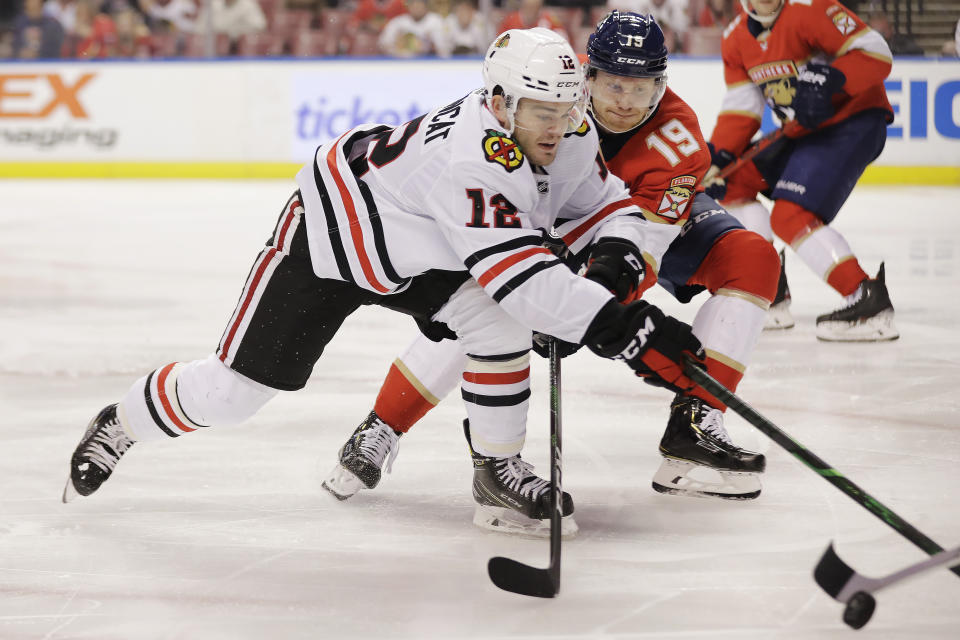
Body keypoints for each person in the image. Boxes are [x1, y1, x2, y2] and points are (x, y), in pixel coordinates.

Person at [63, 28, 706, 539]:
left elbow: (602, 202)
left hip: (421, 248)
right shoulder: (473, 159)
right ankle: (122, 421)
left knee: (497, 325)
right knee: (233, 395)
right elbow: (521, 279)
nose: (556, 127)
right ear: (501, 102)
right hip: (332, 238)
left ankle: (496, 473)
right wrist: (621, 326)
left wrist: (619, 251)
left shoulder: (566, 129)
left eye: (565, 111)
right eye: (541, 111)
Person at [322, 12, 778, 535]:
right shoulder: (540, 92)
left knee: (752, 258)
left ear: (662, 85)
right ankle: (384, 424)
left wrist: (595, 298)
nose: (626, 101)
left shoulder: (677, 143)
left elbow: (643, 246)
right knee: (487, 305)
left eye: (642, 86)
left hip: (623, 227)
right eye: (614, 84)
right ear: (588, 76)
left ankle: (696, 422)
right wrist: (541, 291)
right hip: (528, 225)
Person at [703, 0, 899, 341]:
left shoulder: (812, 8)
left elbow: (875, 51)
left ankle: (867, 299)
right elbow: (742, 108)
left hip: (853, 120)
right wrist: (717, 158)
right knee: (730, 185)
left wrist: (831, 79)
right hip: (803, 131)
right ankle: (767, 292)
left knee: (789, 216)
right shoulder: (734, 38)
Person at [377, 0, 446, 57]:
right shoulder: (398, 22)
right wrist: (397, 46)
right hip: (402, 63)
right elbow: (383, 44)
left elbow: (444, 49)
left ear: (426, 7)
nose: (416, 8)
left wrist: (430, 45)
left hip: (429, 62)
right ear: (408, 7)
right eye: (413, 5)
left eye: (419, 5)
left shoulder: (436, 20)